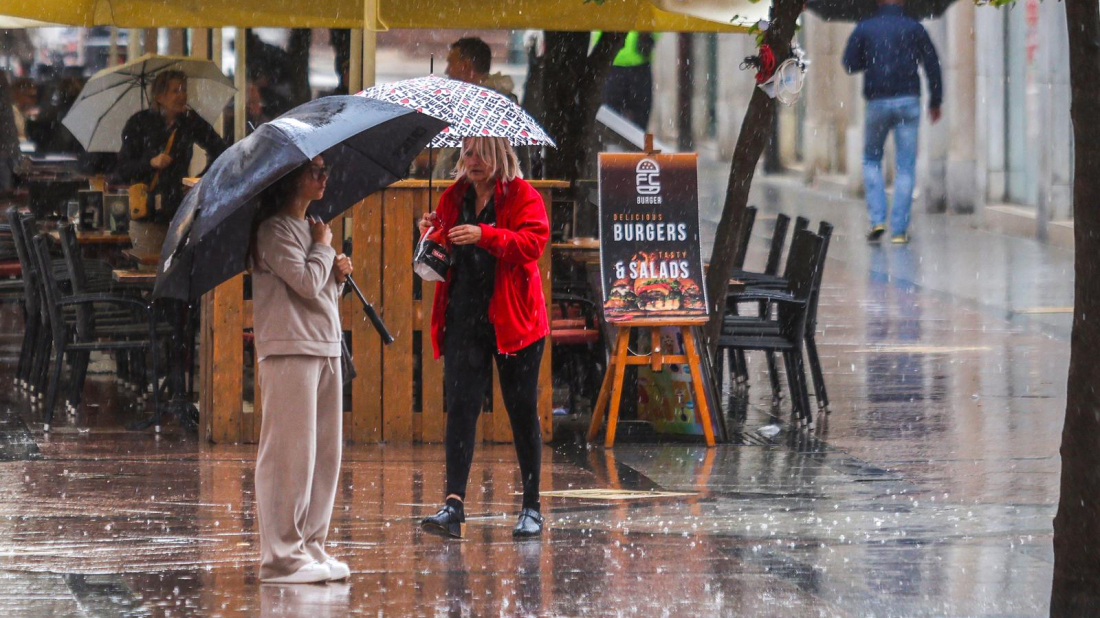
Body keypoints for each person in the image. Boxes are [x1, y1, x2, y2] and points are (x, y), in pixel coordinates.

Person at [418, 137, 550, 539]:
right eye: (467, 153)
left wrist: (486, 234)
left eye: (480, 154)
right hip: (464, 317)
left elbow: (532, 245)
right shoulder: (453, 196)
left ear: (499, 156)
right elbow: (442, 248)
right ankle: (453, 504)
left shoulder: (523, 196)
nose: (472, 162)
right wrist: (430, 234)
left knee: (521, 409)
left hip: (515, 320)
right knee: (461, 408)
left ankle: (531, 505)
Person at [250, 155, 354, 583]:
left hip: (325, 345)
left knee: (323, 456)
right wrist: (325, 249)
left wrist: (339, 275)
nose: (324, 177)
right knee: (290, 453)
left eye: (326, 169)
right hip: (290, 346)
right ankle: (280, 557)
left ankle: (310, 545)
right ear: (293, 178)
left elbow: (322, 290)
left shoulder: (312, 226)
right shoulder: (273, 229)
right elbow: (305, 283)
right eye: (315, 170)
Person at [843, 0, 942, 244]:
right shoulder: (914, 28)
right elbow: (932, 65)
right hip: (908, 100)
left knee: (871, 159)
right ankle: (899, 230)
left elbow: (849, 64)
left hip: (877, 101)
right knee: (905, 166)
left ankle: (877, 219)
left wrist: (870, 57)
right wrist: (935, 101)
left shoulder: (865, 27)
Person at [116, 70, 227, 227]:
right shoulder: (139, 123)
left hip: (179, 208)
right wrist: (150, 163)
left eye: (184, 90)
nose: (182, 96)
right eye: (176, 91)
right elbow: (123, 169)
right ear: (160, 97)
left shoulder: (190, 121)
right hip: (146, 213)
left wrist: (199, 182)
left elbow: (220, 151)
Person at [427, 37, 519, 179]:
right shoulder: (464, 103)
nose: (447, 71)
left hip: (473, 192)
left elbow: (473, 158)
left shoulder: (492, 106)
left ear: (466, 65)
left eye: (451, 63)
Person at [595, 31, 656, 129]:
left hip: (640, 63)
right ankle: (611, 143)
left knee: (642, 120)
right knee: (608, 119)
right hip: (612, 63)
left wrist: (650, 34)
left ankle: (647, 144)